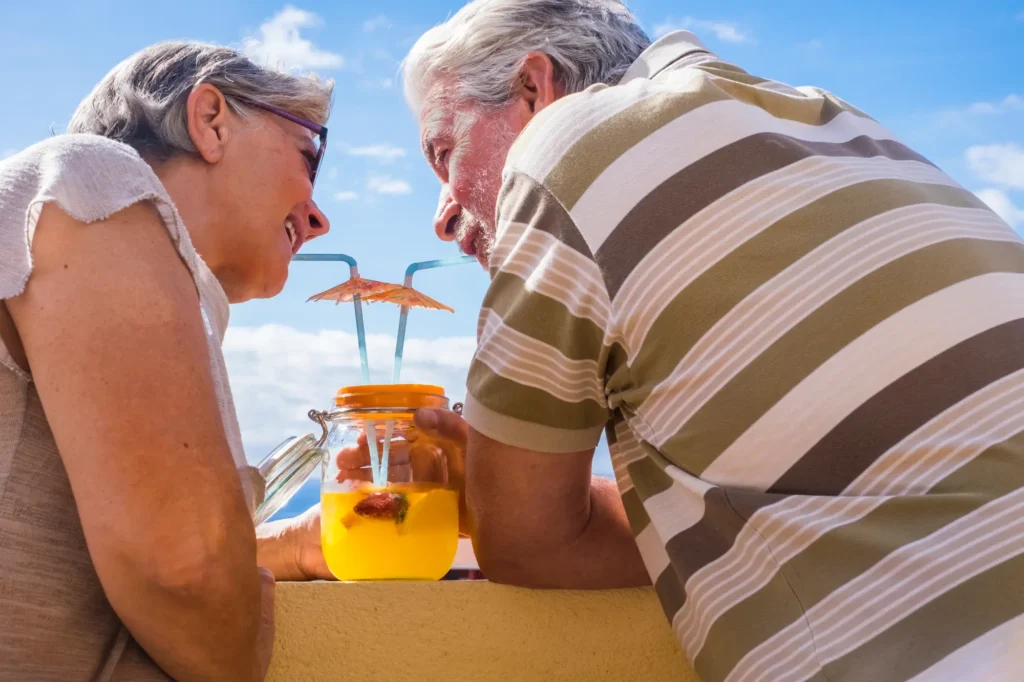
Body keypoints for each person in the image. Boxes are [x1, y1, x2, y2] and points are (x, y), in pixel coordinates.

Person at [399, 1, 1024, 680]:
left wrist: (489, 486)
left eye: (444, 154)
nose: (442, 214)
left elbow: (526, 545)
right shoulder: (842, 126)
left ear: (534, 89)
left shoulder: (562, 148)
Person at [0, 41, 333, 680]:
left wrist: (283, 546)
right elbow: (192, 586)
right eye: (308, 157)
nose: (318, 218)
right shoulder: (91, 181)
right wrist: (246, 610)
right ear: (211, 119)